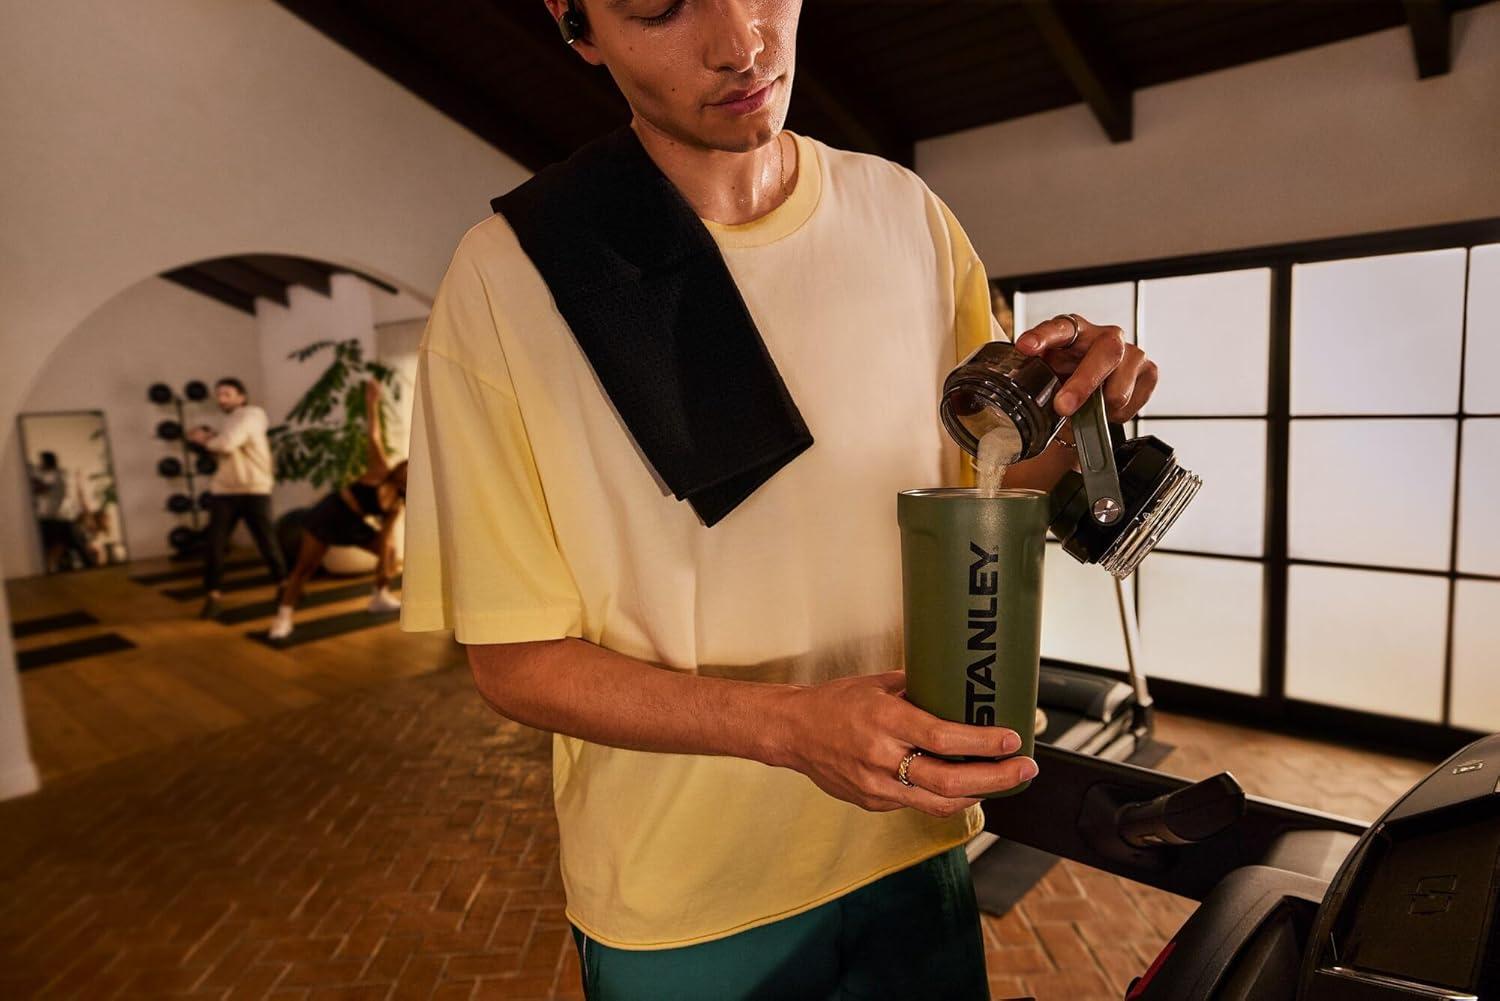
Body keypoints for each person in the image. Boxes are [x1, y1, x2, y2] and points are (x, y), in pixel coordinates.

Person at [399, 1, 1160, 997]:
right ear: (575, 23)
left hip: (912, 834)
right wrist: (789, 725)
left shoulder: (906, 216)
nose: (742, 43)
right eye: (659, 6)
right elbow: (515, 661)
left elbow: (983, 491)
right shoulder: (510, 278)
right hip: (684, 895)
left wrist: (1079, 421)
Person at [267, 379, 406, 641]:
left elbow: (386, 539)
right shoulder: (380, 470)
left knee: (388, 551)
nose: (407, 471)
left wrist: (386, 568)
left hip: (352, 523)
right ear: (400, 468)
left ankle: (379, 596)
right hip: (329, 514)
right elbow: (373, 435)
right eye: (407, 466)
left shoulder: (397, 505)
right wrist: (371, 403)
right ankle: (283, 617)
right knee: (305, 568)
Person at [186, 378, 287, 618]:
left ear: (241, 397)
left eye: (227, 394)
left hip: (254, 490)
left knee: (267, 542)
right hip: (224, 492)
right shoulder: (229, 422)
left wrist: (204, 439)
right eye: (219, 395)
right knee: (215, 545)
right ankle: (213, 596)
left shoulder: (251, 415)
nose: (221, 399)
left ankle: (286, 587)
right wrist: (207, 439)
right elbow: (224, 447)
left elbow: (228, 444)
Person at [29, 451, 92, 572]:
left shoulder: (58, 475)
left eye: (41, 461)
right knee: (63, 547)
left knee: (71, 545)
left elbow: (43, 488)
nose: (39, 464)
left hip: (59, 518)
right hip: (54, 518)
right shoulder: (52, 475)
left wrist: (32, 479)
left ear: (47, 462)